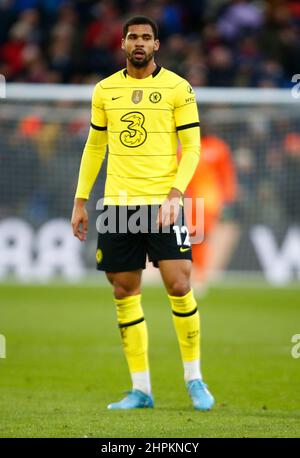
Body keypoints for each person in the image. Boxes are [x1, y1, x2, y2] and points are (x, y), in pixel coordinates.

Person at [71, 16, 214, 411]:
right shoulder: (105, 90)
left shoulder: (178, 88)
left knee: (180, 283)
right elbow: (95, 147)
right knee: (123, 290)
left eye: (146, 38)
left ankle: (194, 378)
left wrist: (174, 194)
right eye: (133, 37)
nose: (139, 43)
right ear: (122, 44)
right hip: (118, 205)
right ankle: (141, 390)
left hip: (162, 204)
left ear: (156, 45)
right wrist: (80, 200)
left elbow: (194, 148)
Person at [184, 130, 239, 293]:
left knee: (199, 238)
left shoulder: (218, 148)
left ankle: (199, 277)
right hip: (189, 201)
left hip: (209, 203)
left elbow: (227, 175)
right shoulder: (185, 147)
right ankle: (193, 275)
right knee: (191, 238)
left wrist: (228, 199)